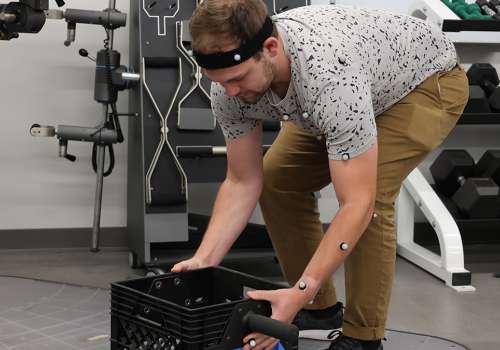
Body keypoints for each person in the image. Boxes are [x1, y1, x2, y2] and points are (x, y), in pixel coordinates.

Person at [171, 1, 469, 349]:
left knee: (371, 201)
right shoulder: (228, 89)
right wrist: (204, 261)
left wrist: (299, 288)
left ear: (270, 48)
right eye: (220, 82)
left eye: (237, 79)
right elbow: (242, 180)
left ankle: (363, 336)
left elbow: (356, 203)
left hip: (423, 83)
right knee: (278, 180)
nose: (231, 91)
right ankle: (318, 307)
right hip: (353, 85)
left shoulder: (329, 76)